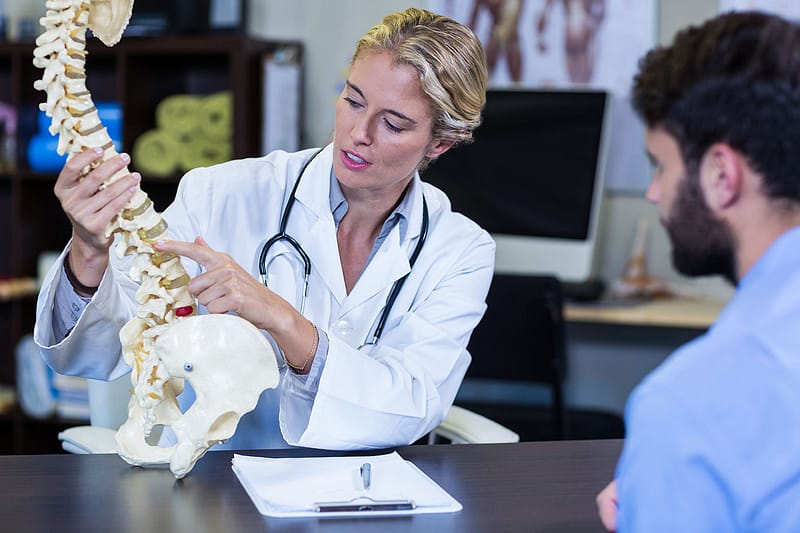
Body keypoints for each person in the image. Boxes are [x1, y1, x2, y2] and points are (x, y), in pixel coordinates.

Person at [34, 8, 494, 451]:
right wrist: (90, 252)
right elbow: (99, 353)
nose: (359, 132)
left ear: (440, 143)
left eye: (393, 123)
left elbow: (413, 404)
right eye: (353, 100)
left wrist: (280, 317)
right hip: (217, 486)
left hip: (362, 495)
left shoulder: (458, 250)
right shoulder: (219, 195)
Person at [595, 11, 800, 531]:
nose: (654, 193)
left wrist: (674, 476)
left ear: (720, 175)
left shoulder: (688, 406)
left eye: (660, 166)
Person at [536, 0, 605, 84]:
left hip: (585, 34)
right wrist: (540, 36)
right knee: (572, 80)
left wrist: (593, 24)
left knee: (584, 80)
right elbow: (546, 9)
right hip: (571, 35)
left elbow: (601, 9)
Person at [469, 0, 525, 83]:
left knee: (509, 40)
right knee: (500, 38)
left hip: (504, 33)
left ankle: (517, 85)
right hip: (496, 33)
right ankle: (487, 83)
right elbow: (475, 16)